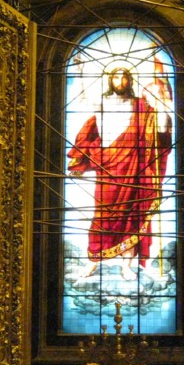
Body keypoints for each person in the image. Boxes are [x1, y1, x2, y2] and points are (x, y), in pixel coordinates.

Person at [67, 67, 172, 281]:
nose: (120, 80)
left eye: (124, 76)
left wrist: (160, 104)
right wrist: (79, 72)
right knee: (102, 216)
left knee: (130, 217)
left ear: (130, 80)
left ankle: (127, 265)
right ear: (110, 80)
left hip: (132, 167)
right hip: (107, 166)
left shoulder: (139, 105)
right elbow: (83, 100)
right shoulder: (102, 103)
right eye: (116, 76)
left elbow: (161, 131)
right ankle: (94, 261)